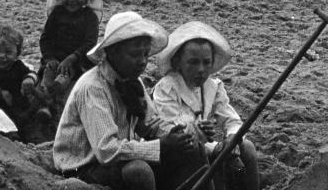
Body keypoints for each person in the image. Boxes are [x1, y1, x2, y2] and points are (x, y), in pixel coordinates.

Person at [53, 11, 202, 190]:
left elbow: (150, 123)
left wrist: (174, 134)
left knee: (192, 150)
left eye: (146, 55)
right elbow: (106, 150)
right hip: (83, 166)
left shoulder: (132, 80)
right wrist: (160, 146)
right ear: (112, 53)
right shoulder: (93, 87)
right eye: (135, 55)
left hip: (115, 160)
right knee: (138, 171)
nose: (142, 61)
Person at [153, 22, 260, 190]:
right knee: (200, 151)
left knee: (247, 147)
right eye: (193, 62)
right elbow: (170, 131)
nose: (201, 69)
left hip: (205, 149)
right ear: (178, 62)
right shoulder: (167, 88)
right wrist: (208, 142)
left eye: (206, 62)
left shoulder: (213, 86)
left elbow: (232, 121)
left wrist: (232, 138)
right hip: (178, 157)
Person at [39, 0, 102, 105]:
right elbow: (45, 38)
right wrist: (50, 58)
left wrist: (72, 58)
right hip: (56, 58)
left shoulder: (90, 17)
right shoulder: (57, 13)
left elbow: (90, 43)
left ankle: (57, 94)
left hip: (78, 60)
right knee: (47, 75)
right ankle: (46, 99)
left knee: (67, 78)